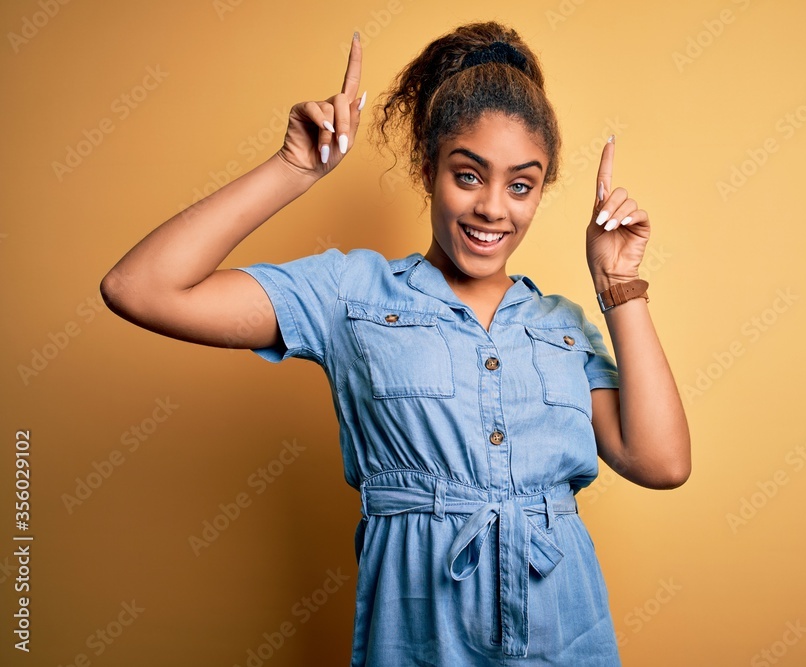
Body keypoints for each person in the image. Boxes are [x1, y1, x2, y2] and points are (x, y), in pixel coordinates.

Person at [101, 21, 690, 666]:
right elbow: (140, 288)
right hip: (418, 640)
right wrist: (294, 168)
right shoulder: (351, 292)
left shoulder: (563, 325)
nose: (494, 208)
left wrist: (619, 283)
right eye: (469, 175)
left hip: (566, 638)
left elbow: (662, 463)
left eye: (520, 185)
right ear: (427, 168)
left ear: (540, 193)